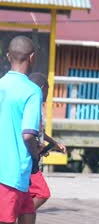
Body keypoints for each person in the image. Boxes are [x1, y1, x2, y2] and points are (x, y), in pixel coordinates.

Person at [0, 36, 42, 224]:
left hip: (16, 176)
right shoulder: (32, 90)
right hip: (12, 172)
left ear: (8, 56)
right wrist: (36, 153)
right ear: (32, 58)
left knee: (28, 213)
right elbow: (28, 134)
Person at [28, 72, 67, 210]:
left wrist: (54, 143)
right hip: (29, 159)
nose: (48, 95)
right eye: (48, 90)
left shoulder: (30, 103)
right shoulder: (34, 105)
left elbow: (39, 132)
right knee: (42, 193)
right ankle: (20, 214)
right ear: (43, 88)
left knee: (26, 194)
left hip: (32, 154)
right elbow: (29, 133)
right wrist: (36, 149)